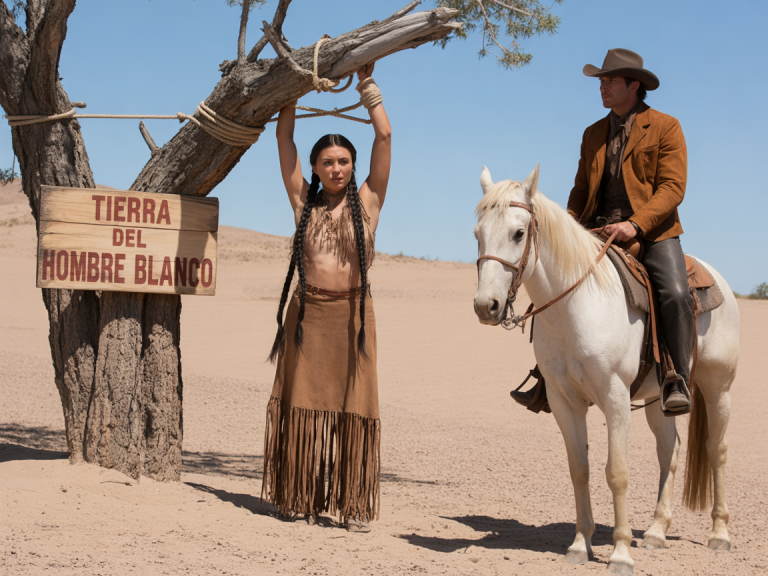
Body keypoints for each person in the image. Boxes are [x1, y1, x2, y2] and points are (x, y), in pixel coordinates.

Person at [512, 48, 693, 416]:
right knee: (552, 281)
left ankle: (676, 376)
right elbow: (581, 190)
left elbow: (673, 188)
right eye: (601, 81)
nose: (602, 88)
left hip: (652, 231)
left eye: (609, 81)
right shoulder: (592, 133)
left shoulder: (665, 126)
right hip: (597, 227)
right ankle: (547, 376)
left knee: (674, 293)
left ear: (634, 85)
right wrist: (566, 225)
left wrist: (635, 224)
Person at [261, 63, 391, 531]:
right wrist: (294, 90)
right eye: (328, 162)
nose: (336, 169)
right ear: (315, 169)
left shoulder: (369, 202)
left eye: (343, 161)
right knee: (301, 404)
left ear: (353, 167)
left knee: (354, 409)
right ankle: (298, 495)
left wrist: (368, 86)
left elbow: (385, 139)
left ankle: (350, 503)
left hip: (355, 318)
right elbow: (284, 142)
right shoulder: (303, 204)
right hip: (308, 316)